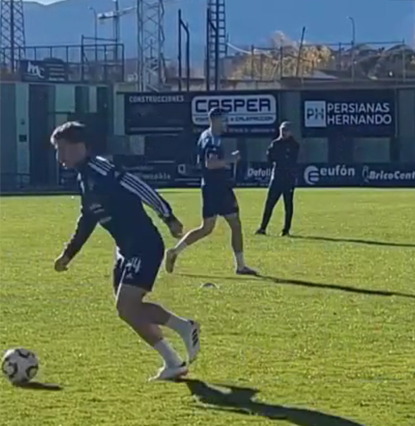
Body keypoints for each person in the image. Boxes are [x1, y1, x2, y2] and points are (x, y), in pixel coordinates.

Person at [50, 121, 200, 381]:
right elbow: (88, 219)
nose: (59, 156)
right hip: (125, 250)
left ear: (79, 146)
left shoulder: (101, 168)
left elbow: (138, 186)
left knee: (128, 305)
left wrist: (168, 216)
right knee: (127, 311)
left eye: (61, 149)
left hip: (144, 244)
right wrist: (68, 254)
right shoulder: (84, 178)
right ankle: (174, 360)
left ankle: (184, 329)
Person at [165, 107, 257, 275]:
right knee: (235, 224)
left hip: (211, 186)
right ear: (215, 120)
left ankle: (174, 252)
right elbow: (211, 164)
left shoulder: (205, 135)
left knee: (207, 228)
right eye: (224, 120)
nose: (226, 123)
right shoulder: (212, 140)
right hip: (218, 187)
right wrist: (231, 159)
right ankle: (241, 266)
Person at [257, 121, 300, 236]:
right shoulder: (275, 144)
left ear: (290, 132)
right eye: (282, 130)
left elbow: (291, 160)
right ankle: (262, 227)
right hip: (276, 178)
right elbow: (270, 158)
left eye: (286, 130)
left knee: (288, 205)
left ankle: (286, 230)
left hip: (288, 178)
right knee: (269, 203)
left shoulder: (294, 145)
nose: (283, 132)